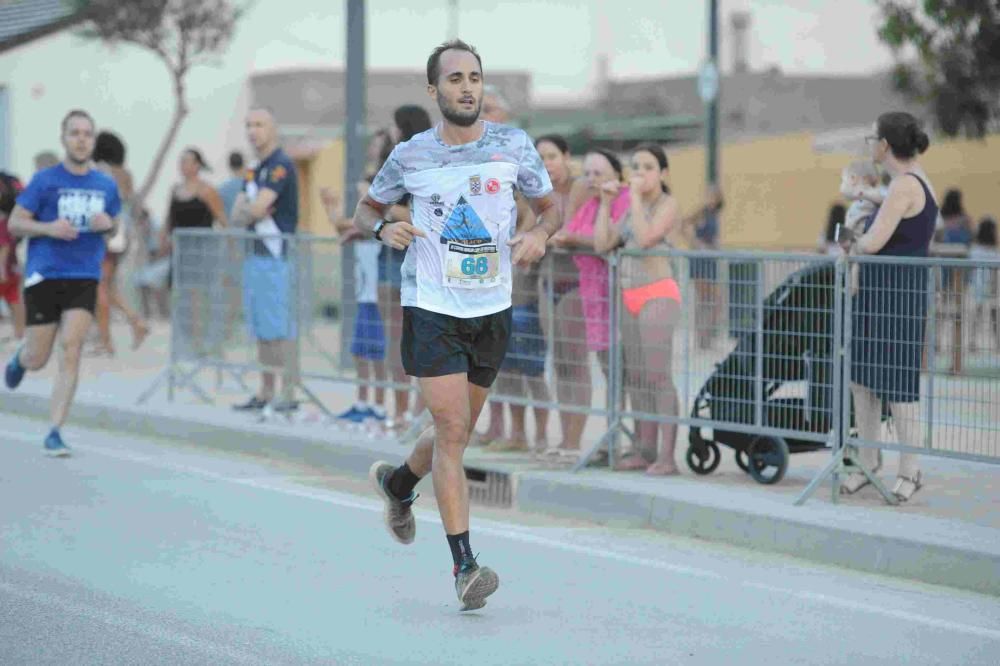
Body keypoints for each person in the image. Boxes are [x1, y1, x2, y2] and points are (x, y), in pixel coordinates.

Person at [356, 40, 557, 611]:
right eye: (454, 79)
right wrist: (380, 231)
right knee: (449, 432)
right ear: (434, 90)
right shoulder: (411, 155)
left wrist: (541, 235)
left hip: (491, 308)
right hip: (432, 308)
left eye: (474, 77)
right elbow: (365, 210)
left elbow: (551, 208)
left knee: (457, 430)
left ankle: (399, 485)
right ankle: (465, 566)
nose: (466, 87)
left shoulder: (512, 146)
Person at [4, 109, 121, 456]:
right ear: (64, 138)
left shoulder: (105, 184)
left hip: (84, 275)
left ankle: (55, 430)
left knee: (71, 348)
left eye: (87, 133)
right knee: (38, 357)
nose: (81, 139)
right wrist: (48, 228)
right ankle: (20, 359)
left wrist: (108, 226)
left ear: (93, 140)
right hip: (45, 275)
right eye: (75, 133)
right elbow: (14, 224)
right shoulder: (44, 180)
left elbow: (114, 226)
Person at [840, 111, 937, 502]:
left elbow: (874, 243)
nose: (870, 146)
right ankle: (868, 462)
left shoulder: (904, 186)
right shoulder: (909, 181)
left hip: (895, 295)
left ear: (884, 145)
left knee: (898, 386)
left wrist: (851, 240)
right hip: (881, 294)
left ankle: (910, 471)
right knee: (862, 381)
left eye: (872, 139)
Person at [593, 144, 682, 475]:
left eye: (647, 167)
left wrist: (631, 196)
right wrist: (605, 205)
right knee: (639, 378)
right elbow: (602, 243)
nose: (639, 173)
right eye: (636, 166)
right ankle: (645, 450)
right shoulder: (632, 208)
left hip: (658, 294)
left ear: (663, 173)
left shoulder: (667, 204)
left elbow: (645, 239)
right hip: (628, 295)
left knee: (659, 377)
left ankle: (668, 456)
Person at [546, 149, 628, 459]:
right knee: (607, 371)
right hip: (593, 295)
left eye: (599, 173)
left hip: (617, 295)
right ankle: (610, 442)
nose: (592, 180)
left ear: (617, 175)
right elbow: (568, 231)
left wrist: (572, 239)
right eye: (589, 174)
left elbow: (601, 240)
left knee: (621, 374)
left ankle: (619, 441)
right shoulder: (591, 203)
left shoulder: (622, 201)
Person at [230, 108, 300, 412]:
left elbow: (257, 210)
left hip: (275, 255)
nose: (252, 130)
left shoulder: (280, 165)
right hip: (254, 255)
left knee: (278, 328)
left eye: (258, 124)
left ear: (272, 129)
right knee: (261, 327)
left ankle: (288, 392)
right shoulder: (253, 168)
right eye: (248, 125)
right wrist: (250, 209)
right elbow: (237, 214)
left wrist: (250, 209)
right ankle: (265, 391)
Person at [378, 106, 433, 429]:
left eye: (394, 126)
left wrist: (389, 211)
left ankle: (418, 411)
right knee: (394, 340)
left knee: (421, 340)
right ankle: (400, 411)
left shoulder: (427, 163)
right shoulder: (392, 163)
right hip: (389, 258)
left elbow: (422, 217)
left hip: (419, 259)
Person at [533, 135, 587, 458]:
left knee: (576, 365)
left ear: (567, 156)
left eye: (552, 156)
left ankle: (574, 442)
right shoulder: (541, 193)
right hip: (548, 282)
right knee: (561, 364)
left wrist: (545, 237)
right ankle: (565, 439)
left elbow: (566, 230)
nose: (547, 164)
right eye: (541, 159)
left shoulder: (581, 187)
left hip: (577, 284)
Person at [321, 183, 389, 426]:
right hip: (364, 295)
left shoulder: (375, 223)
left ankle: (379, 406)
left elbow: (344, 225)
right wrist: (331, 209)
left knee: (378, 354)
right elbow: (343, 231)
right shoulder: (362, 221)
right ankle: (362, 402)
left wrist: (331, 208)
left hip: (377, 296)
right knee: (361, 352)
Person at [159, 148, 227, 356]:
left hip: (201, 251)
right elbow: (169, 220)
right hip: (180, 252)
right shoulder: (175, 190)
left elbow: (223, 220)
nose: (184, 165)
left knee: (198, 297)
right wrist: (163, 240)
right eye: (181, 161)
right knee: (180, 296)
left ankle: (201, 342)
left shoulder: (207, 191)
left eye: (188, 161)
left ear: (198, 165)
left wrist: (228, 248)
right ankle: (186, 338)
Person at [90, 130, 150, 356]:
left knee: (100, 288)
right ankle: (136, 323)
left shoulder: (102, 172)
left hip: (107, 233)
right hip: (124, 234)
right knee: (108, 286)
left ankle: (106, 342)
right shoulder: (126, 174)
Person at [686, 184, 723, 349]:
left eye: (714, 196)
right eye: (709, 195)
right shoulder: (702, 214)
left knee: (713, 301)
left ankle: (706, 338)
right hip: (700, 260)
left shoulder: (714, 214)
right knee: (705, 301)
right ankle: (702, 340)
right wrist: (697, 244)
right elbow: (683, 226)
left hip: (711, 260)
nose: (711, 199)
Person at [0, 172, 26, 345]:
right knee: (14, 299)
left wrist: (1, 268)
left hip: (4, 269)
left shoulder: (2, 222)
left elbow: (4, 247)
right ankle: (20, 335)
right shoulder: (8, 220)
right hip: (11, 266)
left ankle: (20, 334)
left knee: (14, 300)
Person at [969, 216, 999, 352]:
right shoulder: (994, 253)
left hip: (976, 286)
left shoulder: (974, 250)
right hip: (991, 288)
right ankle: (997, 342)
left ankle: (972, 341)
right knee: (994, 316)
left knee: (976, 316)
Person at [217, 151, 246, 221]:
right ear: (243, 164)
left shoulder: (221, 189)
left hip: (230, 229)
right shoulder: (251, 186)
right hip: (248, 230)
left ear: (230, 165)